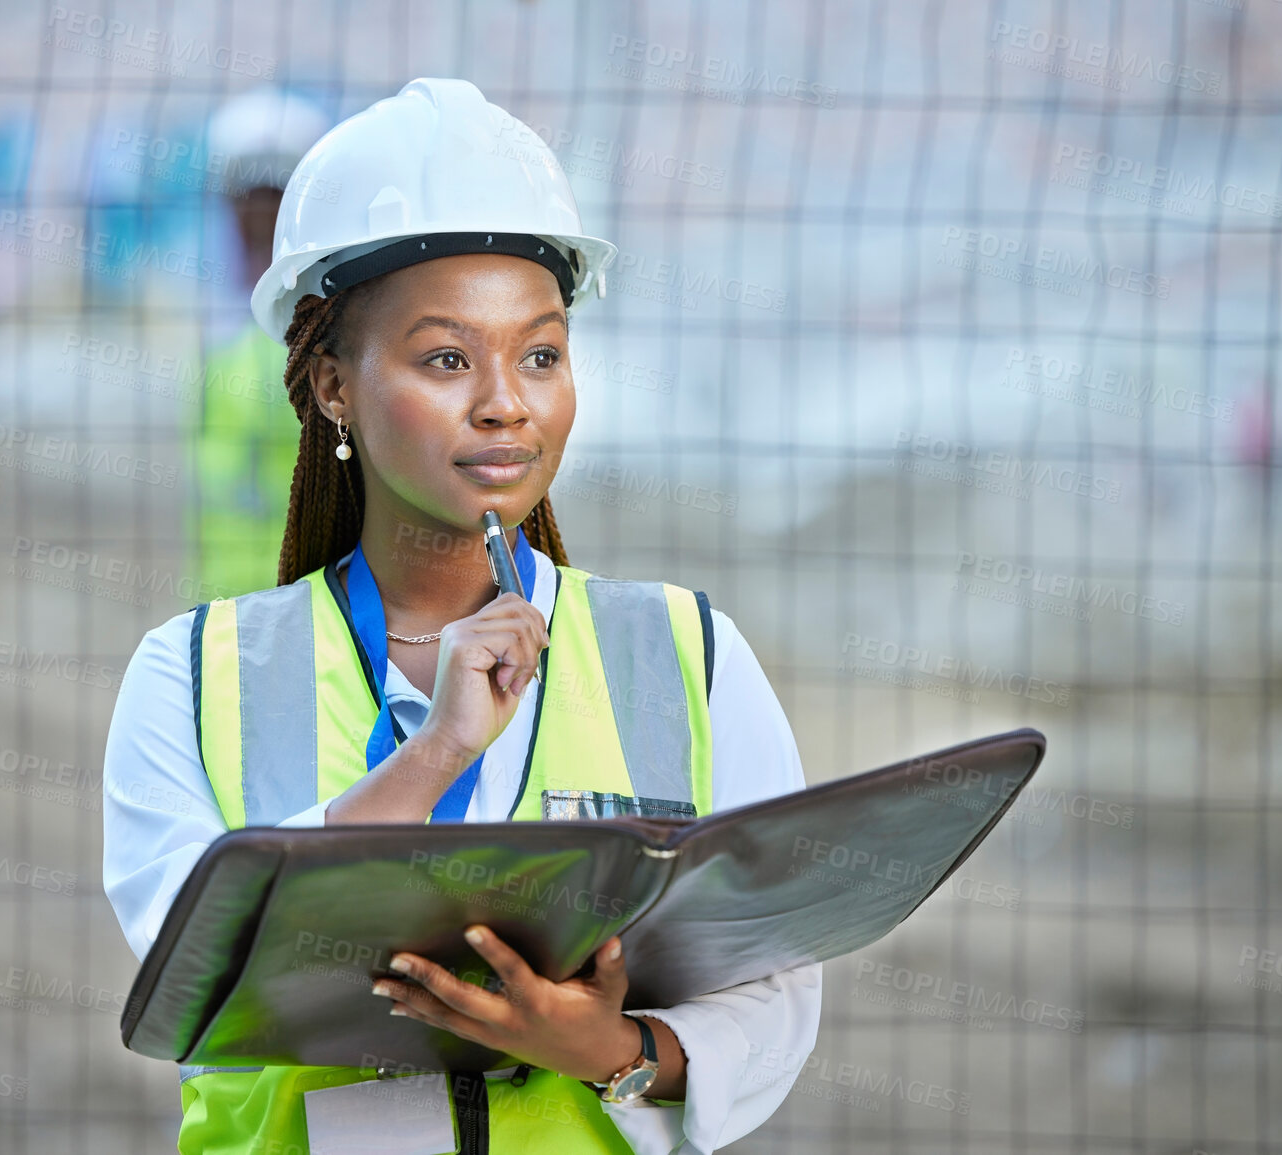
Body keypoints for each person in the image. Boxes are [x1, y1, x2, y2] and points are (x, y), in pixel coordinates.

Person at [104, 77, 823, 1155]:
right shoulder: (189, 675)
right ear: (334, 385)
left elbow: (775, 1002)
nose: (505, 401)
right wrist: (434, 753)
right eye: (447, 357)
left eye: (540, 352)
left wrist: (608, 1050)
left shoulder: (690, 656)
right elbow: (193, 973)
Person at [191, 87, 333, 598]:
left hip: (312, 596)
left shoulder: (330, 326)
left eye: (274, 195)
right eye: (245, 194)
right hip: (227, 601)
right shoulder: (215, 313)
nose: (256, 213)